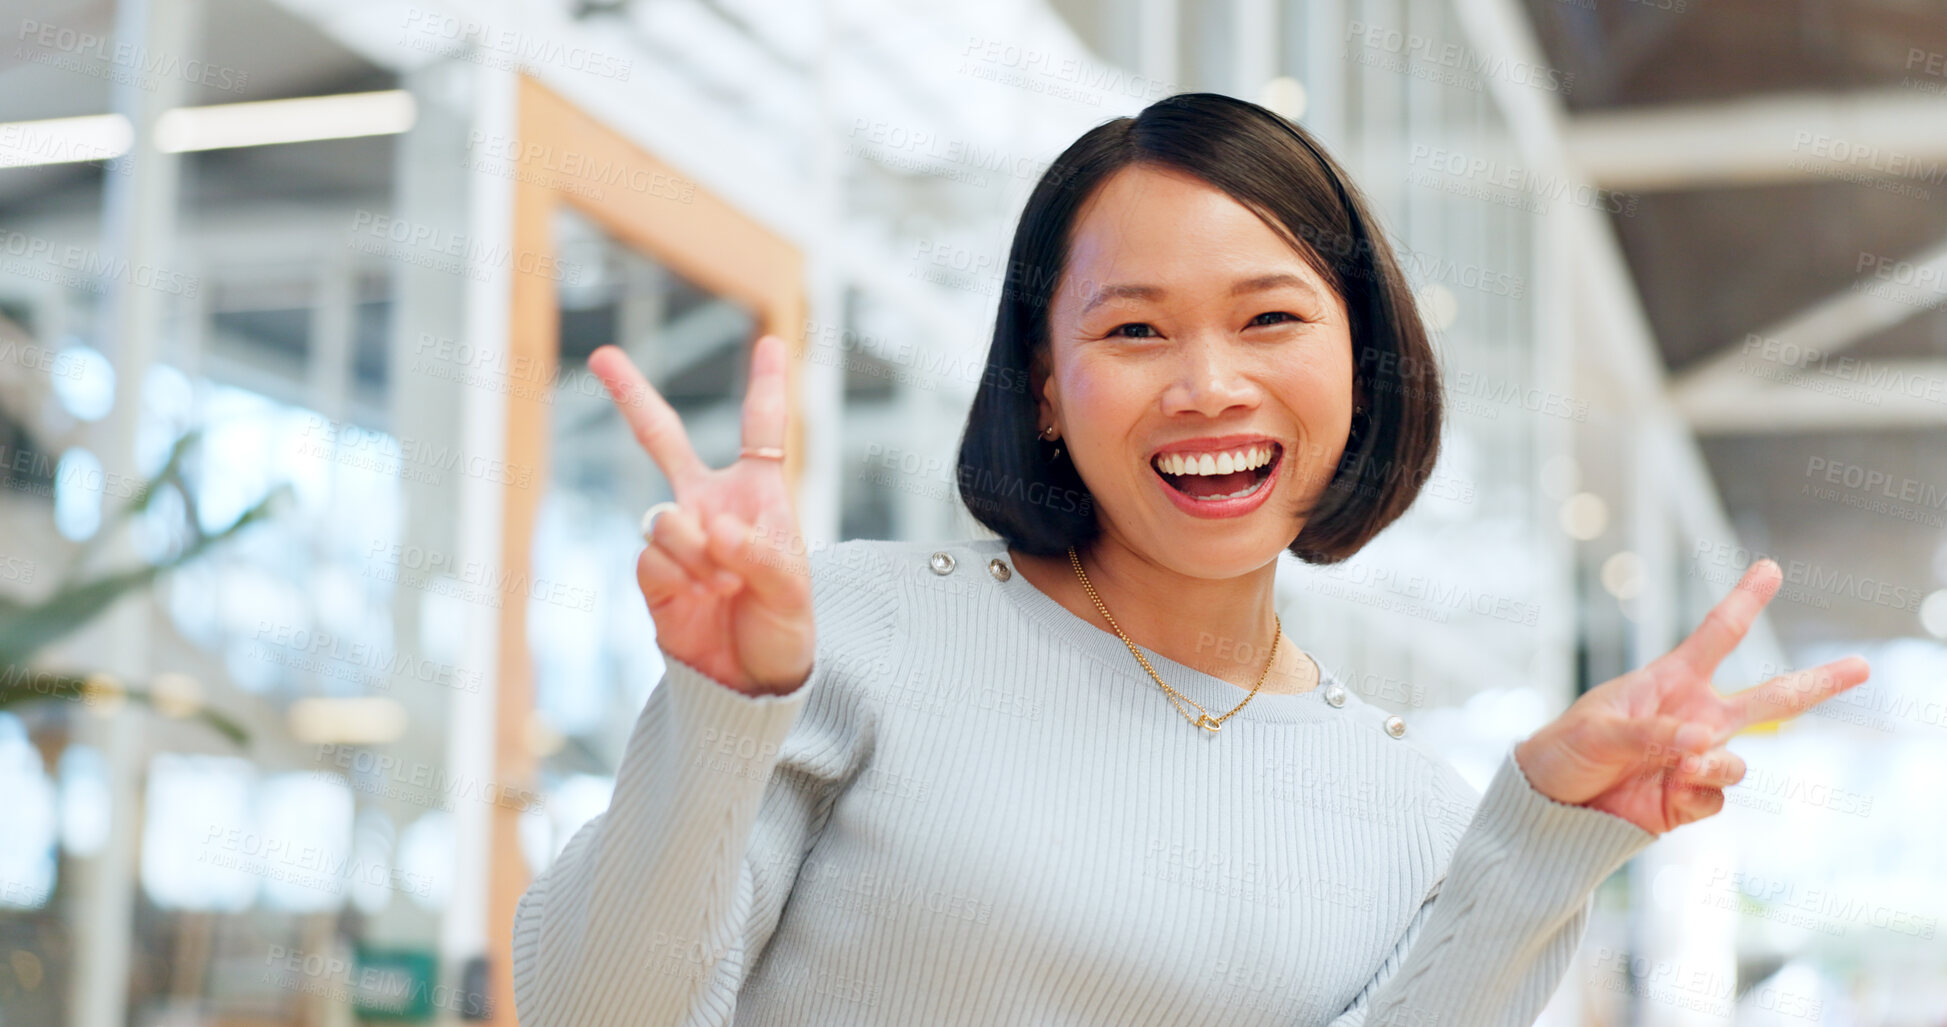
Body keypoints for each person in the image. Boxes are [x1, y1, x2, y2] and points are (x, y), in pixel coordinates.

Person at [509, 93, 1869, 1026]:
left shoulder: (1407, 806)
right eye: (1135, 332)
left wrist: (1541, 832)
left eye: (1270, 316)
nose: (1210, 385)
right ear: (1045, 386)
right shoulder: (855, 638)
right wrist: (724, 709)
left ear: (1359, 353)